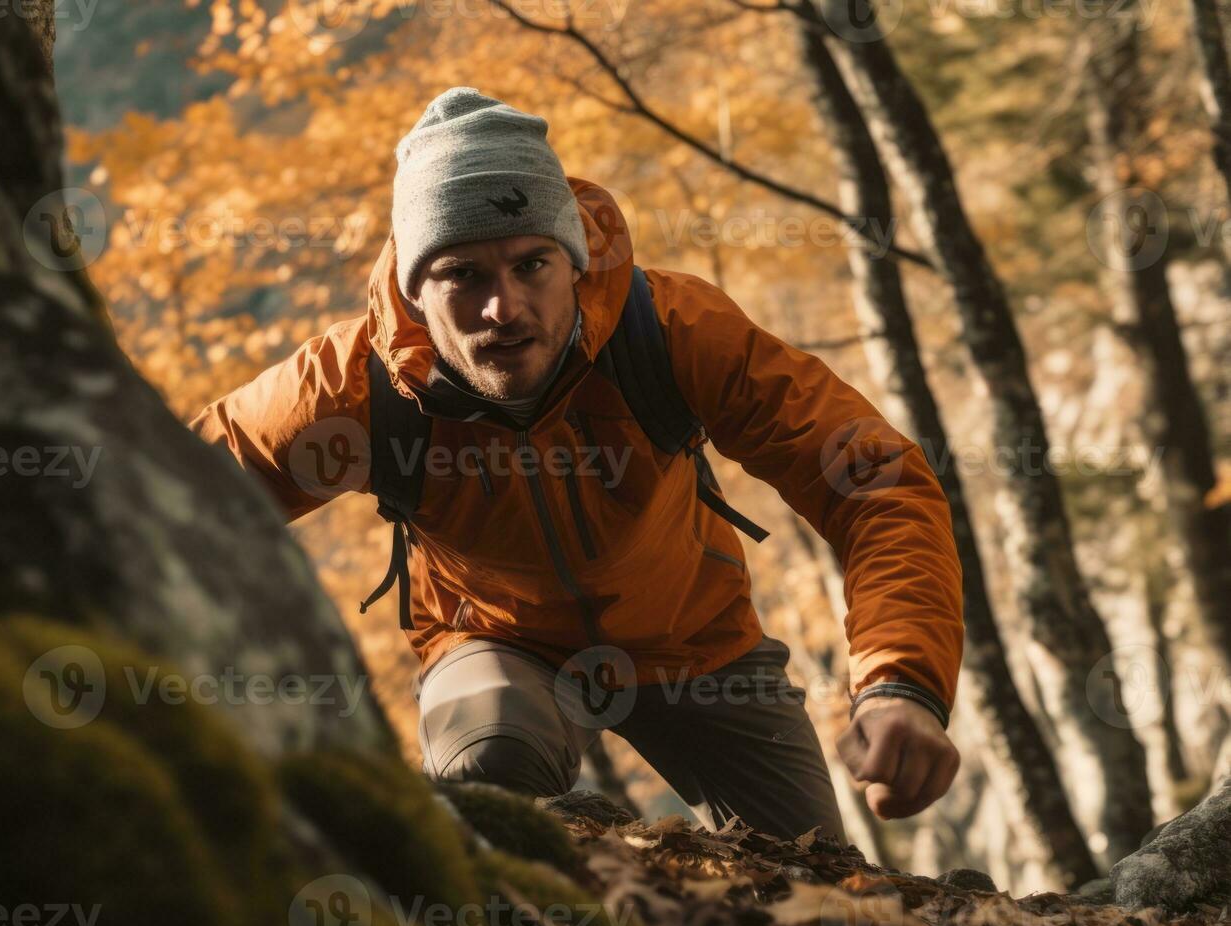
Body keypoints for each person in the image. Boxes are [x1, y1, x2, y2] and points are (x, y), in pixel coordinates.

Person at [190, 86, 964, 842]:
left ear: (574, 260)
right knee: (489, 772)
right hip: (495, 643)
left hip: (697, 645)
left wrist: (900, 682)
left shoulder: (672, 331)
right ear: (414, 288)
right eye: (461, 274)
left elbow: (875, 485)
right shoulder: (350, 387)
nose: (504, 309)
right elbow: (162, 498)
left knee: (817, 877)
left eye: (531, 264)